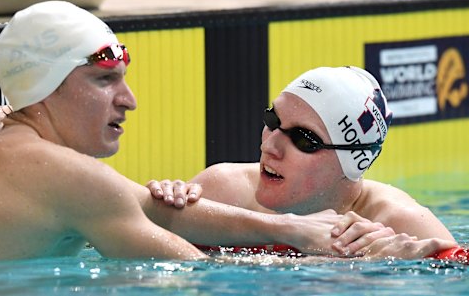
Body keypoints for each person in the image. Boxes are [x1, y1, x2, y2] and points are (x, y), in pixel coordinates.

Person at [0, 2, 393, 261]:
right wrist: (312, 248)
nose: (128, 100)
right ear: (47, 84)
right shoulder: (58, 174)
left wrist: (288, 229)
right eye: (105, 81)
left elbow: (135, 204)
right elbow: (202, 279)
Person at [149, 66, 459, 259]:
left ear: (353, 162)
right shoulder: (224, 190)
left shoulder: (401, 226)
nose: (269, 145)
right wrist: (156, 204)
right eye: (272, 120)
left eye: (303, 139)